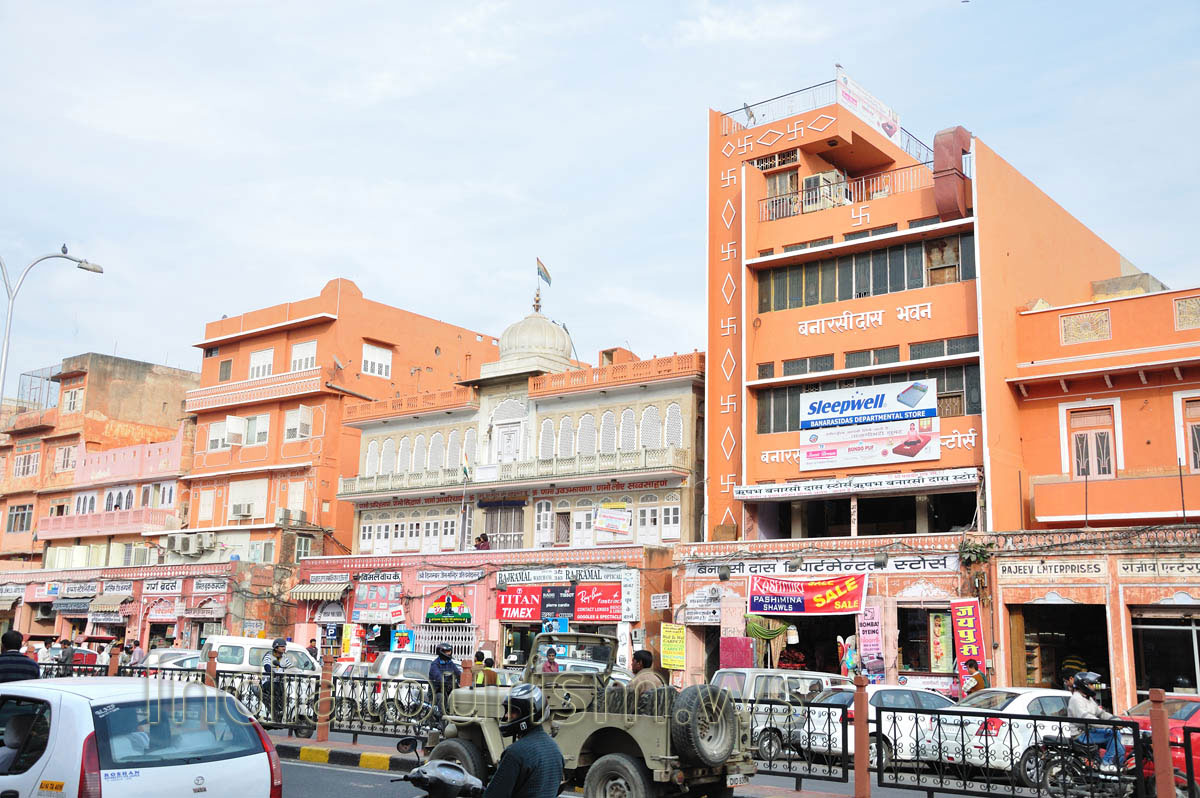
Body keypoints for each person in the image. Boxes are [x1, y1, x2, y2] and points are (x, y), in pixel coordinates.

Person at [483, 683, 563, 798]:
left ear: (528, 714)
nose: (507, 716)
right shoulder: (555, 749)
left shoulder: (515, 753)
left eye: (513, 711)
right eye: (507, 711)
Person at [1068, 671, 1123, 770]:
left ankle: (1118, 768)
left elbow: (1101, 713)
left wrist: (1115, 719)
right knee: (1113, 734)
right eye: (1092, 684)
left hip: (1090, 732)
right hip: (1081, 734)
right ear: (1084, 685)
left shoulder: (1088, 699)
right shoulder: (1076, 699)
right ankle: (1106, 764)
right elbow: (1088, 719)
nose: (1094, 687)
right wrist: (1111, 725)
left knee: (1119, 746)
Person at [261, 638, 293, 723]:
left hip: (279, 681)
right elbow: (266, 665)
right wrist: (271, 672)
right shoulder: (269, 655)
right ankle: (276, 710)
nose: (284, 648)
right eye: (282, 646)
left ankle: (282, 711)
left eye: (284, 646)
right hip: (268, 681)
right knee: (277, 688)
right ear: (276, 648)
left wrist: (296, 670)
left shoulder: (284, 657)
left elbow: (290, 666)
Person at [428, 643, 461, 720]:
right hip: (436, 691)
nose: (449, 653)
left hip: (448, 689)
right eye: (447, 651)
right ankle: (441, 720)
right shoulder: (435, 664)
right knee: (442, 697)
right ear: (441, 652)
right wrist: (445, 682)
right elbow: (438, 677)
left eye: (449, 651)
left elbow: (458, 673)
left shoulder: (450, 663)